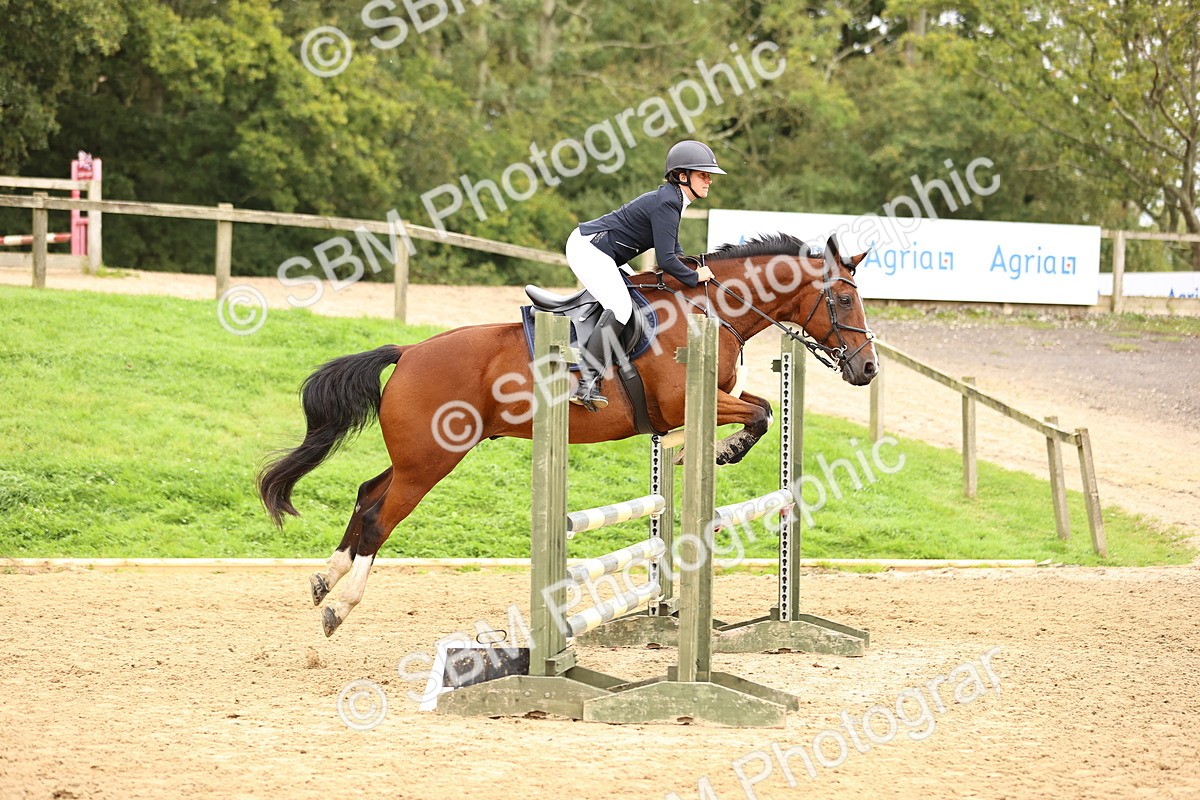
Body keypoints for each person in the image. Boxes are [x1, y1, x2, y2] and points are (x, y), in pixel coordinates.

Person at [564, 139, 725, 411]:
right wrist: (694, 277)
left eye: (709, 175)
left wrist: (694, 268)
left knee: (635, 297)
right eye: (703, 174)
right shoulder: (668, 202)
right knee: (621, 308)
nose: (709, 180)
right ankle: (585, 383)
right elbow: (666, 260)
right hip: (588, 248)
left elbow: (674, 250)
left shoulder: (674, 199)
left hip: (605, 253)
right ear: (682, 176)